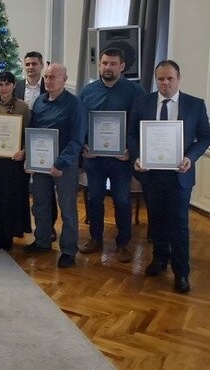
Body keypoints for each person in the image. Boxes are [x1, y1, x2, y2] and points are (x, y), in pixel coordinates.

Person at [128, 60, 210, 293]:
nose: (165, 83)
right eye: (160, 79)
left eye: (170, 79)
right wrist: (136, 157)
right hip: (151, 175)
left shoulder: (195, 105)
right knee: (156, 219)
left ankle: (181, 272)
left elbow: (205, 137)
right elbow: (132, 135)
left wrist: (191, 157)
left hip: (180, 175)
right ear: (156, 79)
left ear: (178, 79)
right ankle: (159, 260)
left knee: (179, 223)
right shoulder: (142, 102)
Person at [78, 48, 145, 262]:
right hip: (94, 159)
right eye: (104, 63)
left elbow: (141, 126)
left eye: (113, 63)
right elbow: (79, 123)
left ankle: (123, 243)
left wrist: (131, 151)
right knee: (95, 198)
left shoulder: (135, 92)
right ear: (99, 64)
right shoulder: (87, 92)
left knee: (122, 200)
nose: (108, 67)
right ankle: (95, 238)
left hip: (121, 160)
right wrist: (83, 146)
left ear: (122, 66)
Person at [23, 64, 87, 268]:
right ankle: (42, 241)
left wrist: (60, 163)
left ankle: (68, 250)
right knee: (40, 203)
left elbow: (77, 139)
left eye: (53, 77)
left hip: (64, 166)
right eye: (46, 77)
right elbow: (33, 131)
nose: (48, 80)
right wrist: (30, 158)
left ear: (64, 79)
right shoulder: (40, 101)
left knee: (67, 208)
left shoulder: (74, 104)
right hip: (41, 163)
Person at [0, 72, 31, 251]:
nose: (3, 88)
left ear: (14, 85)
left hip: (13, 162)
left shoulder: (23, 108)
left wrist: (24, 151)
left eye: (7, 84)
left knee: (11, 198)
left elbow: (28, 134)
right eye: (0, 84)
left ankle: (9, 235)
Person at [16, 51, 58, 241]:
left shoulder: (49, 86)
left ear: (41, 66)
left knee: (46, 190)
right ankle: (23, 223)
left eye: (35, 64)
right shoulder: (15, 86)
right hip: (18, 142)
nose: (31, 67)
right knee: (21, 187)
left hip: (43, 144)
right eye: (28, 64)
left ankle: (48, 227)